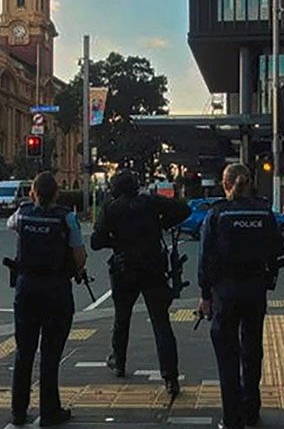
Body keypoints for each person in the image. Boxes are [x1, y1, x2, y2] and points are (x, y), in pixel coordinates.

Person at [196, 164, 284, 429]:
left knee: (227, 355)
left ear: (225, 184)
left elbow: (205, 258)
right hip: (255, 291)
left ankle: (231, 416)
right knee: (252, 349)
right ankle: (251, 409)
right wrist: (267, 280)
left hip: (225, 292)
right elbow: (277, 254)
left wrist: (205, 294)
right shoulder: (264, 212)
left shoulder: (217, 214)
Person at [90, 169, 189, 397]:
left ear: (115, 189)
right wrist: (163, 224)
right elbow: (184, 209)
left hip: (124, 269)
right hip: (153, 268)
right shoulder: (150, 203)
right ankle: (170, 377)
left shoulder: (111, 209)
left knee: (121, 317)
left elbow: (96, 241)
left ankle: (119, 361)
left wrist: (114, 240)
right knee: (161, 323)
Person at [7, 172, 86, 427]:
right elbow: (79, 254)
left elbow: (11, 226)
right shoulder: (67, 217)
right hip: (56, 289)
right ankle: (50, 410)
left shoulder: (22, 214)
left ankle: (18, 410)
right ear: (56, 193)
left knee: (24, 351)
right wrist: (77, 269)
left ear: (33, 192)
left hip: (26, 287)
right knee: (51, 354)